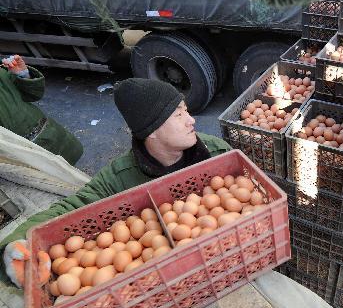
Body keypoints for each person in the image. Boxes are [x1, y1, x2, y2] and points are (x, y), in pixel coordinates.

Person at [1, 78, 231, 287]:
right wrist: (17, 243)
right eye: (178, 115)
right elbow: (71, 207)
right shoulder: (120, 177)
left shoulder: (216, 152)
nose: (191, 120)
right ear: (151, 130)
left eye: (186, 110)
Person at [0, 54, 83, 165]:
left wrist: (23, 75)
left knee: (70, 164)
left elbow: (34, 95)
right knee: (54, 174)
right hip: (21, 155)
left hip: (49, 134)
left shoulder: (2, 72)